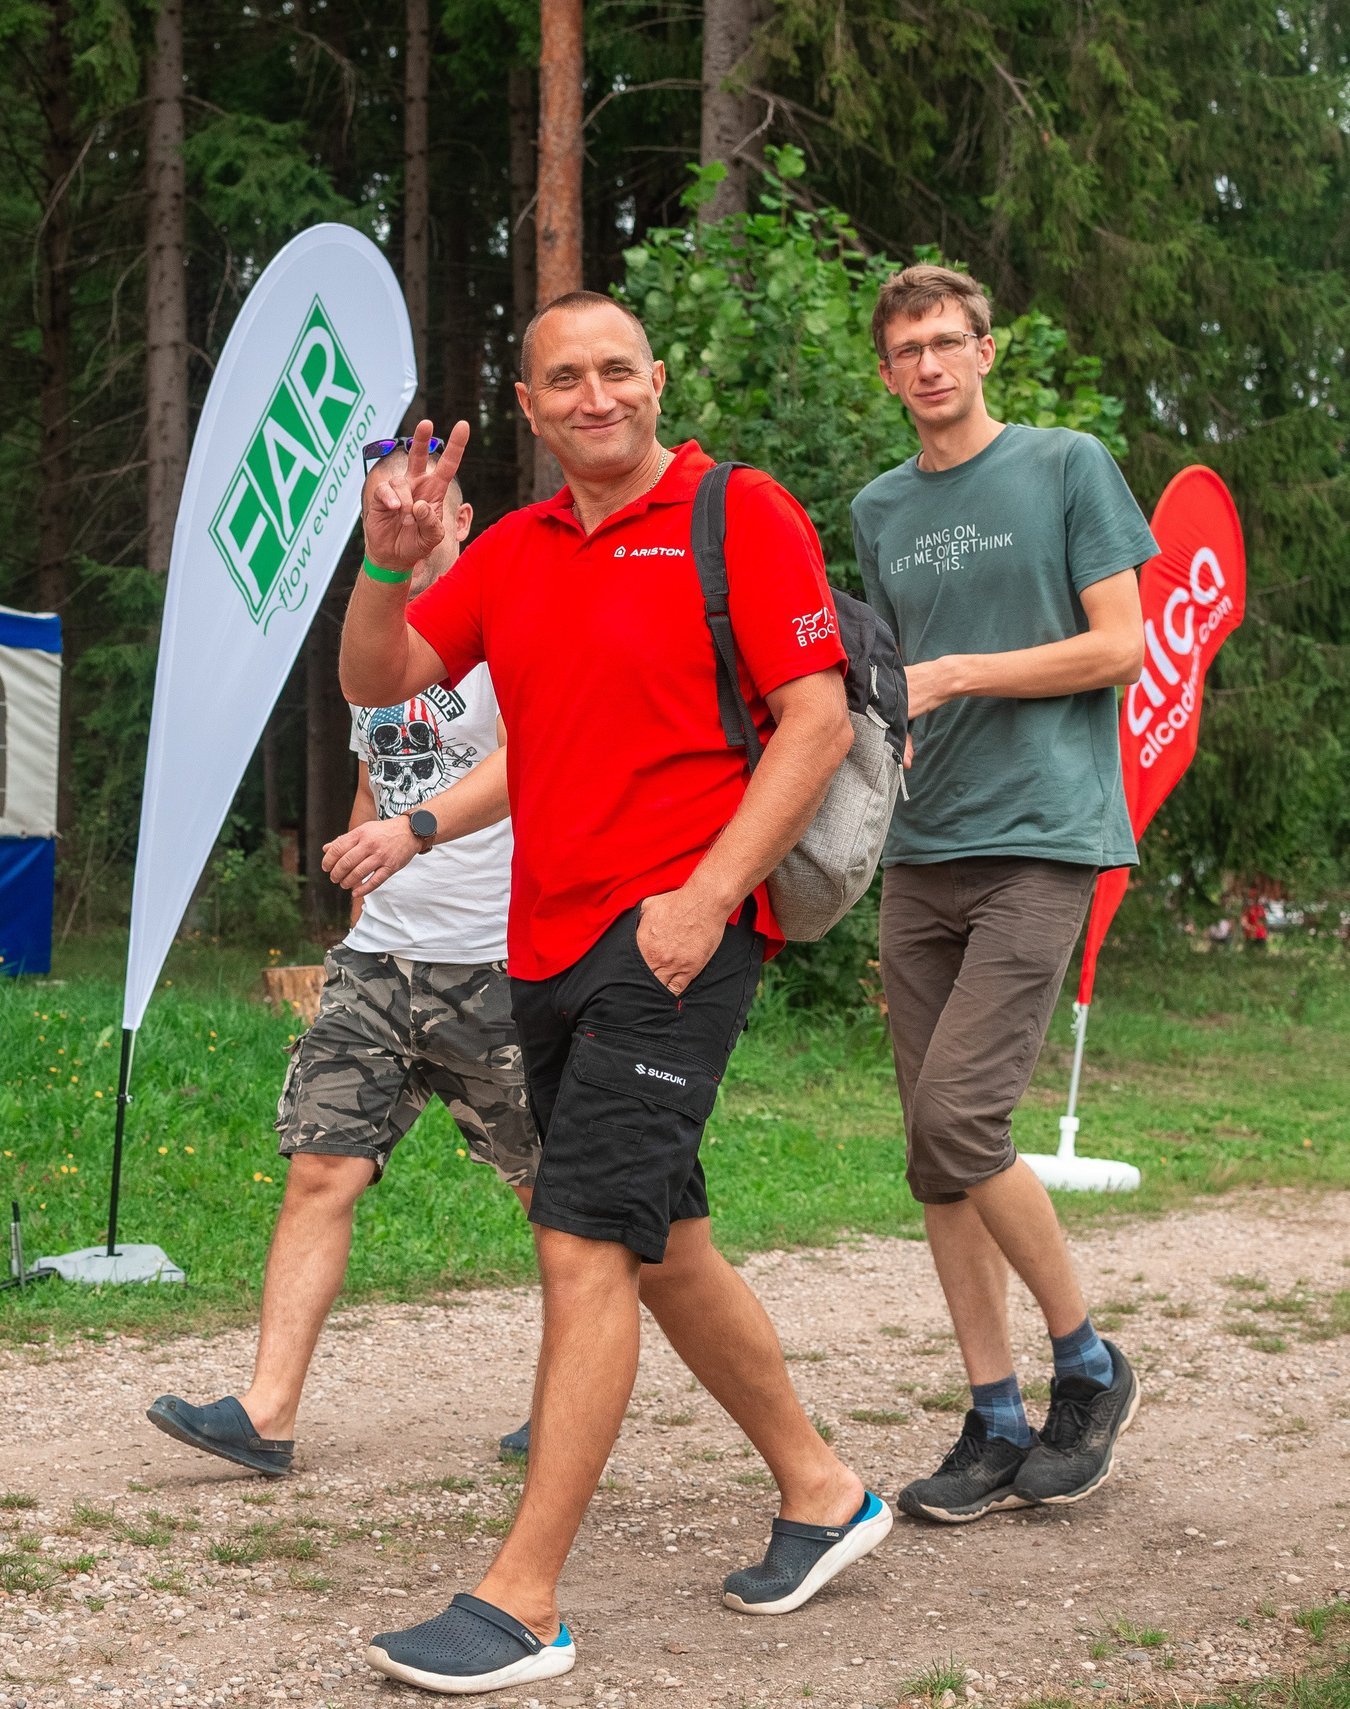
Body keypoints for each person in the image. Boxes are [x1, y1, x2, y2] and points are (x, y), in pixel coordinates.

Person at [338, 291, 883, 1693]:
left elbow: (814, 718)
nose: (595, 397)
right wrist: (384, 565)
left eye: (616, 371)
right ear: (527, 406)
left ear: (655, 381)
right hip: (543, 946)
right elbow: (385, 680)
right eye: (562, 379)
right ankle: (824, 1490)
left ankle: (521, 1600)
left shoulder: (739, 514)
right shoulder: (512, 551)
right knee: (664, 1238)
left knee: (581, 1240)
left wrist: (706, 901)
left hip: (679, 936)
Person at [145, 444, 538, 1478]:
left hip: (493, 963)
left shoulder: (505, 626)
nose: (412, 516)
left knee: (555, 1194)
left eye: (430, 501)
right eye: (390, 504)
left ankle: (572, 1389)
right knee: (321, 1165)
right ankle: (266, 1414)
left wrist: (411, 826)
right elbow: (376, 772)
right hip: (377, 962)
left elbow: (523, 764)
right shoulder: (377, 639)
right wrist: (362, 878)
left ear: (462, 513)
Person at [844, 264, 1149, 1527]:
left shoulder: (1066, 463)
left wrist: (963, 670)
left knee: (964, 1118)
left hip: (1044, 837)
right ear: (886, 371)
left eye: (947, 341)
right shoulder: (875, 507)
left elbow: (1120, 643)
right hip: (921, 850)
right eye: (906, 347)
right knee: (932, 1154)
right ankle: (991, 1413)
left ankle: (1088, 1364)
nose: (929, 363)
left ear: (985, 352)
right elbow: (883, 670)